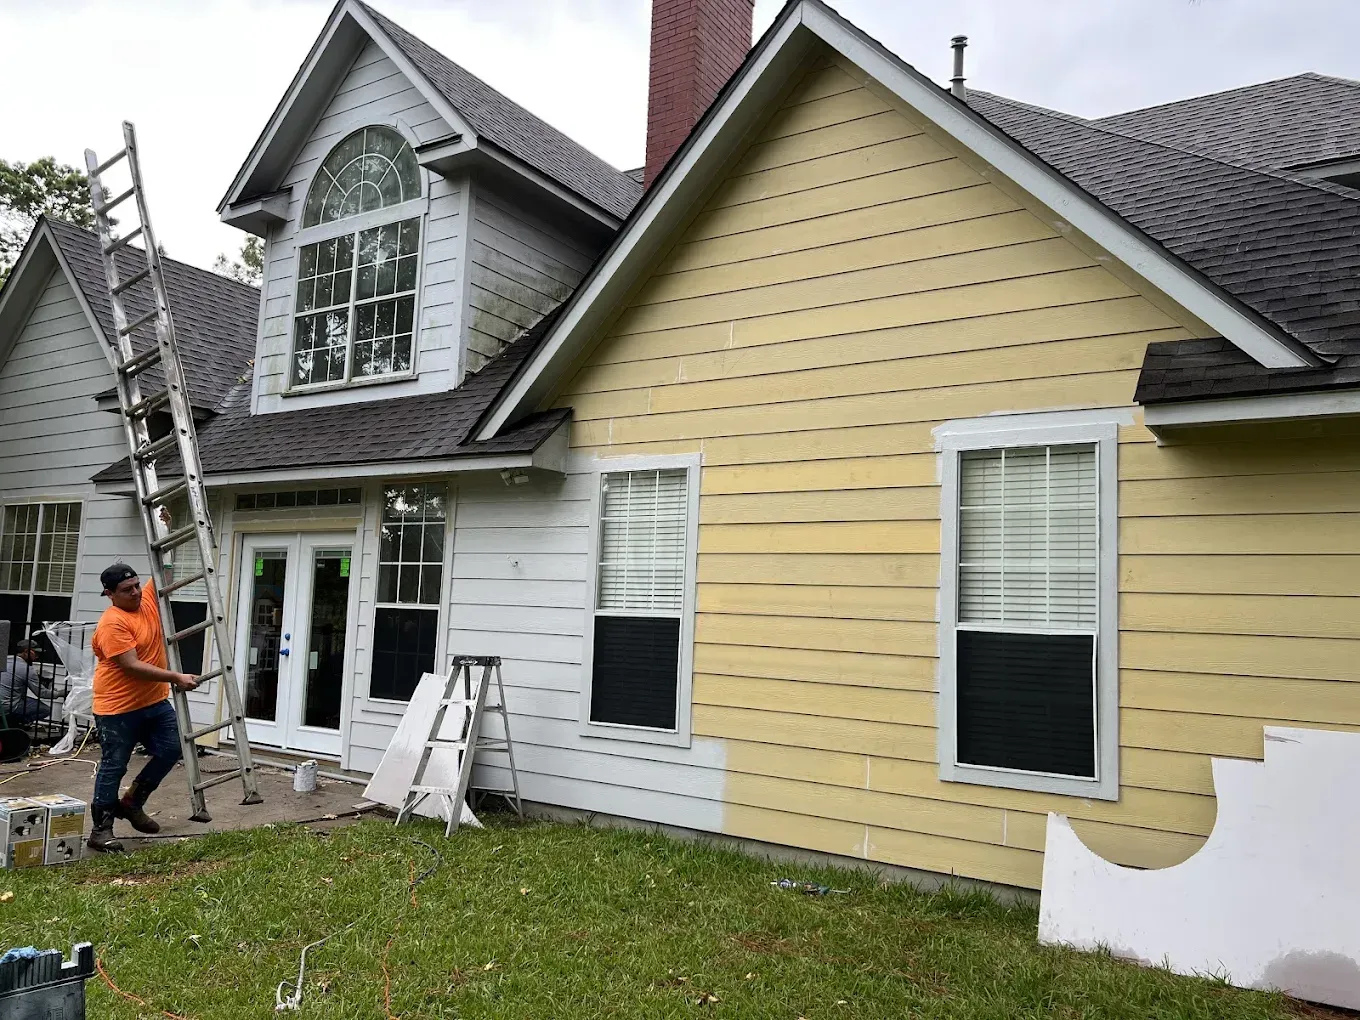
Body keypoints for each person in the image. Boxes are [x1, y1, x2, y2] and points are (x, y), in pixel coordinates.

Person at [87, 562, 199, 853]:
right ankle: (101, 831)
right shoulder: (112, 622)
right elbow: (132, 666)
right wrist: (176, 676)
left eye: (137, 585)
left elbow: (166, 571)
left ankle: (132, 803)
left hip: (154, 702)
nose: (136, 592)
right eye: (127, 590)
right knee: (115, 765)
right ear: (110, 594)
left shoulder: (147, 598)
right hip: (117, 708)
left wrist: (165, 524)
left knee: (172, 748)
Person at [0, 640, 50, 724]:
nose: (37, 656)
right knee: (45, 710)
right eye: (36, 653)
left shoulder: (5, 660)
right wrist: (59, 693)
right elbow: (41, 693)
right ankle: (16, 723)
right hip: (7, 707)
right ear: (26, 651)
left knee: (23, 697)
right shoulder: (27, 669)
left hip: (2, 702)